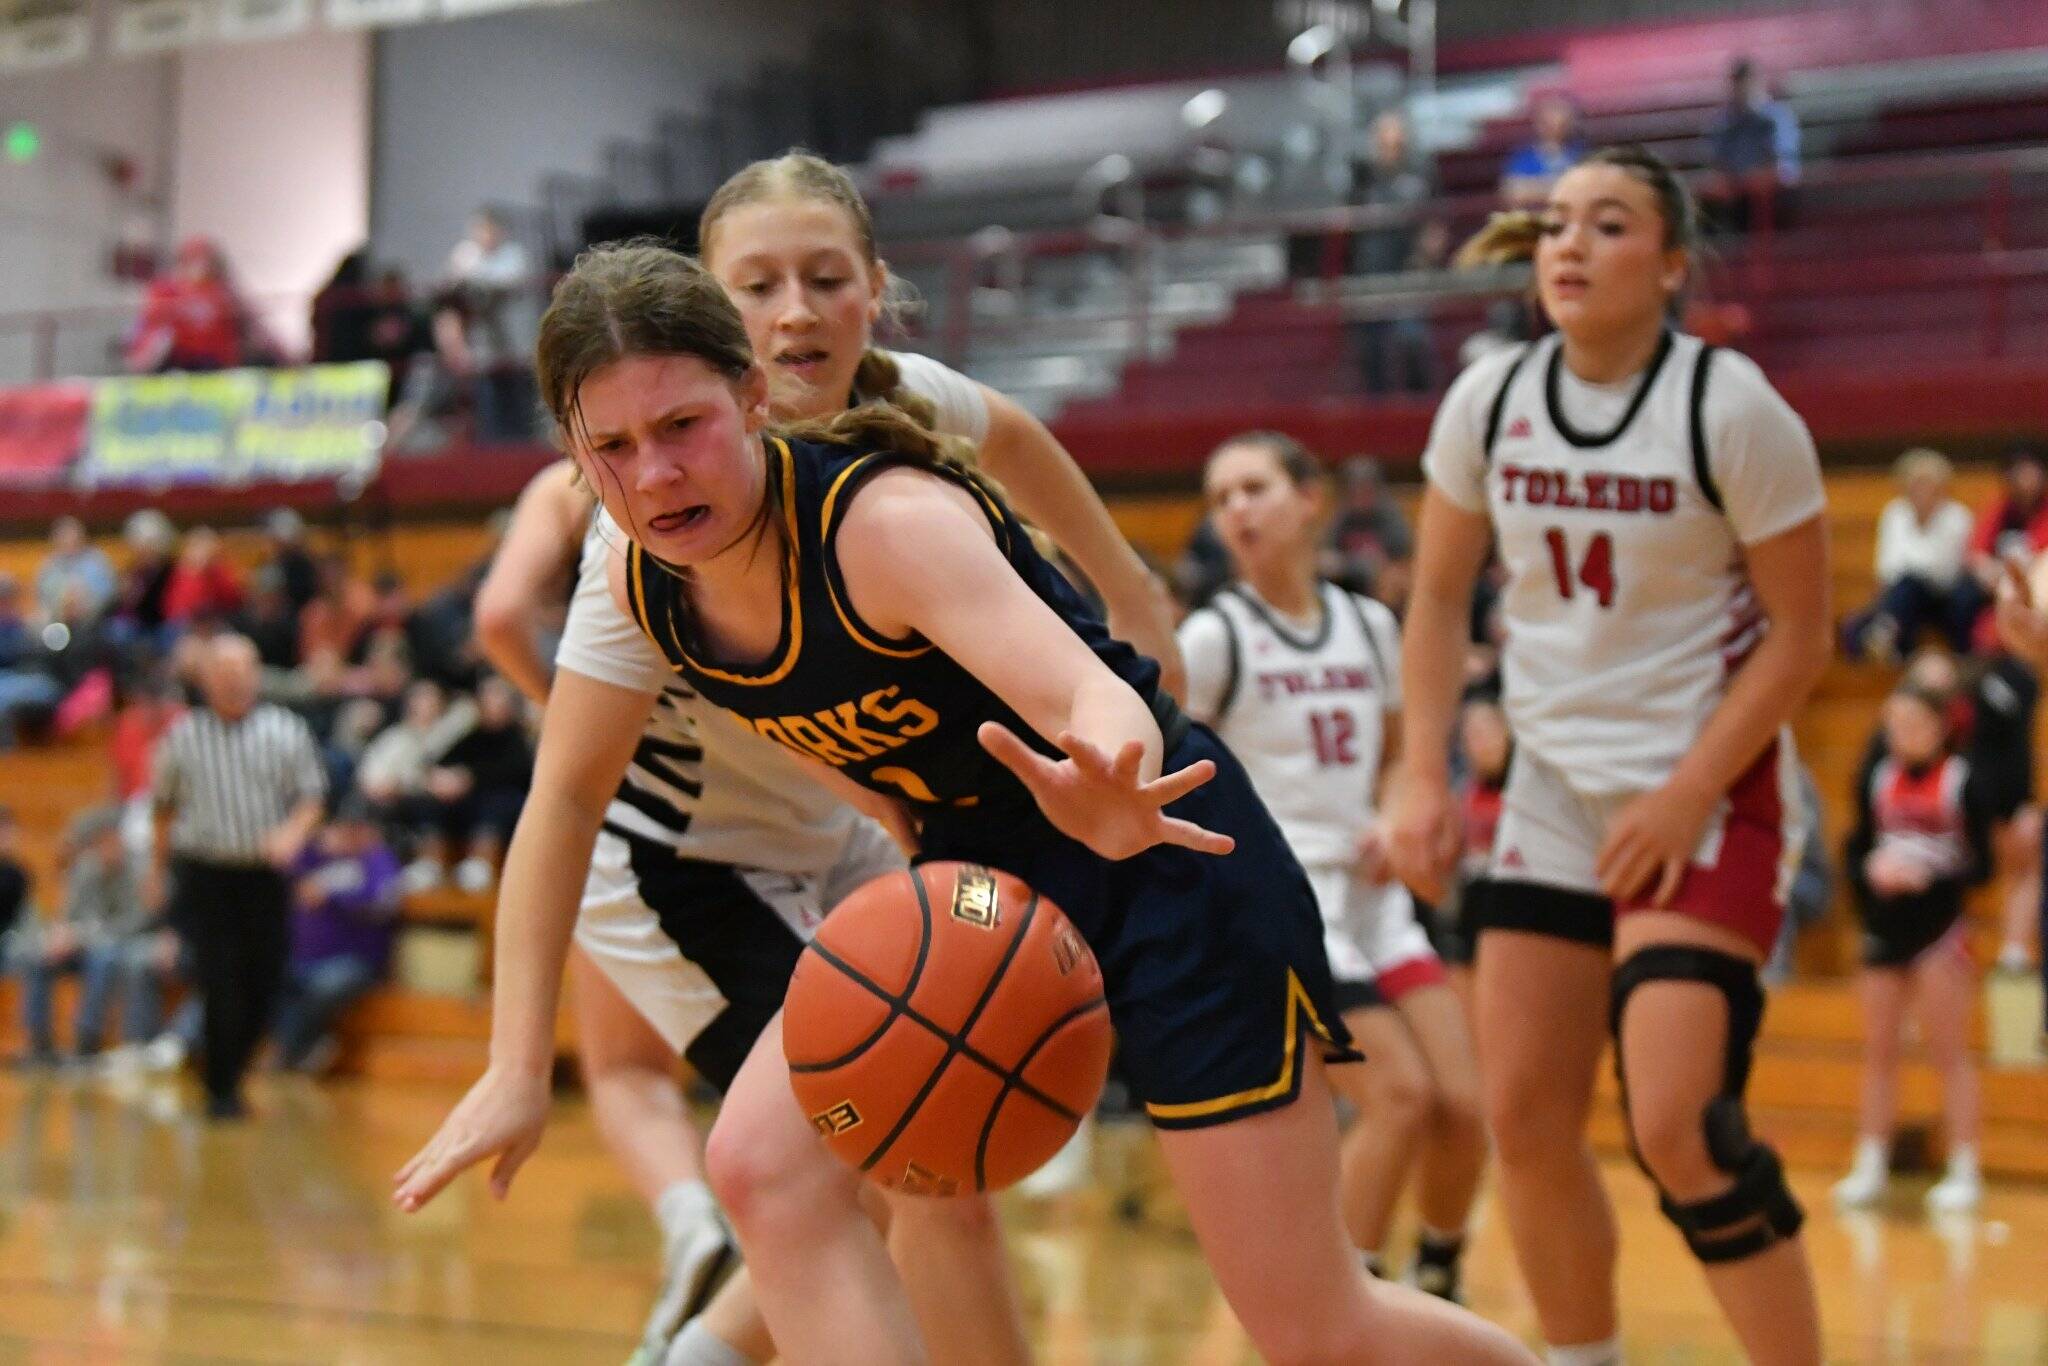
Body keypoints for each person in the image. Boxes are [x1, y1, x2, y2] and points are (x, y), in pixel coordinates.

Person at [393, 239, 1534, 1366]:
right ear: (572, 454)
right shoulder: (639, 576)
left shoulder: (881, 527)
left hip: (1165, 855)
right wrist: (512, 1064)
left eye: (681, 427)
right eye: (614, 448)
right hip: (976, 890)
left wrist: (1113, 778)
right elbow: (564, 798)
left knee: (1312, 1325)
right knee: (762, 1166)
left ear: (749, 394)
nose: (653, 476)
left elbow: (1091, 690)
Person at [463, 150, 1186, 1366]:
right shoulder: (636, 523)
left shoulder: (895, 411)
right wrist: (513, 1058)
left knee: (922, 1157)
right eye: (757, 285)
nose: (795, 312)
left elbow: (1016, 437)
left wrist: (1128, 587)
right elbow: (566, 778)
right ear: (705, 309)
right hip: (682, 859)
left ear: (869, 291)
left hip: (840, 827)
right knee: (863, 1150)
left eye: (822, 279)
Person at [1386, 146, 1831, 1366]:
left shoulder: (1729, 407)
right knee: (1524, 1120)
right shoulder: (1487, 400)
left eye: (1610, 224)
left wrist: (1688, 789)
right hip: (1552, 787)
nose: (1569, 247)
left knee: (1680, 1122)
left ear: (1672, 263)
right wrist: (1420, 770)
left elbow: (1802, 634)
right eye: (1554, 227)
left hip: (1705, 787)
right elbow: (1432, 603)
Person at [1181, 429, 1485, 1300]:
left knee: (1465, 1109)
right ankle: (1344, 1307)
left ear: (1309, 498)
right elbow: (1178, 772)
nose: (1236, 509)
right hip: (1290, 904)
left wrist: (1398, 814)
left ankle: (1437, 1277)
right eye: (1220, 496)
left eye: (1254, 488)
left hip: (1376, 896)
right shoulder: (1214, 639)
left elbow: (1399, 752)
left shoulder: (1370, 625)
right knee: (1399, 1099)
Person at [148, 634, 326, 1119]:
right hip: (205, 875)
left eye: (243, 672)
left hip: (263, 876)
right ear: (206, 681)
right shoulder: (182, 737)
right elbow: (162, 810)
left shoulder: (285, 730)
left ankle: (228, 1069)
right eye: (224, 674)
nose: (234, 682)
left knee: (266, 981)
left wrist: (293, 832)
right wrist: (157, 872)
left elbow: (312, 797)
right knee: (219, 981)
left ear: (256, 675)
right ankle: (220, 1089)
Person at [1832, 684, 1990, 1214]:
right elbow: (1854, 849)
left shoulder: (1963, 781)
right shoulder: (1875, 776)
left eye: (1913, 724)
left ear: (1940, 726)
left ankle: (1964, 1165)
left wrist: (1931, 875)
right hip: (1885, 926)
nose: (1902, 735)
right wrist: (1872, 873)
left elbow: (1984, 864)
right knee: (1879, 1052)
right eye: (1893, 725)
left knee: (1950, 1052)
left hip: (1939, 927)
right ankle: (1870, 1161)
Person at [274, 799, 403, 1073]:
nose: (347, 836)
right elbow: (280, 870)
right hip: (301, 958)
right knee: (263, 976)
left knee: (326, 986)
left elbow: (382, 903)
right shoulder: (311, 857)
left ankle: (292, 1052)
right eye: (340, 829)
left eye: (355, 829)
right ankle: (297, 1049)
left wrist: (331, 897)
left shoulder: (378, 860)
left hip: (356, 961)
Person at [9, 807, 147, 1064]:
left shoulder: (138, 871)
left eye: (113, 840)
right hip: (80, 946)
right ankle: (39, 1043)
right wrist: (60, 935)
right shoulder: (86, 869)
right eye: (101, 842)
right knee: (39, 956)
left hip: (119, 946)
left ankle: (87, 1041)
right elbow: (67, 915)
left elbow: (134, 923)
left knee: (104, 957)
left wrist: (84, 935)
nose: (108, 847)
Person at [1842, 448, 1977, 661]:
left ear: (1941, 487)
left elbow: (1944, 570)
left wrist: (1909, 572)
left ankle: (1885, 632)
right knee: (1856, 623)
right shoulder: (1895, 512)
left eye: (1927, 485)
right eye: (1916, 485)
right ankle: (1888, 645)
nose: (1921, 492)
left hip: (1945, 599)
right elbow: (1886, 568)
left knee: (1912, 584)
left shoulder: (1956, 516)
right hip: (1903, 595)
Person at [1706, 59, 1800, 235]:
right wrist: (1734, 182)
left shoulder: (1777, 117)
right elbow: (1719, 165)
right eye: (1738, 83)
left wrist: (1754, 179)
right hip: (1739, 195)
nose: (1742, 88)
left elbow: (1784, 168)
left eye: (1747, 82)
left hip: (1773, 196)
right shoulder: (1724, 122)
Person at [1500, 95, 1584, 209]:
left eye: (1562, 123)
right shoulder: (1523, 156)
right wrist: (1564, 188)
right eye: (1549, 123)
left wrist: (1536, 187)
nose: (1556, 127)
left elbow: (1586, 191)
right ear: (1539, 124)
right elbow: (1515, 193)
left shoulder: (1582, 155)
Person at [37, 516, 115, 628]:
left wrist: (84, 604)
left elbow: (108, 595)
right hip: (58, 621)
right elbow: (44, 597)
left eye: (73, 538)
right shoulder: (49, 565)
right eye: (63, 538)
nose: (69, 542)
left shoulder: (97, 561)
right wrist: (63, 605)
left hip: (96, 621)